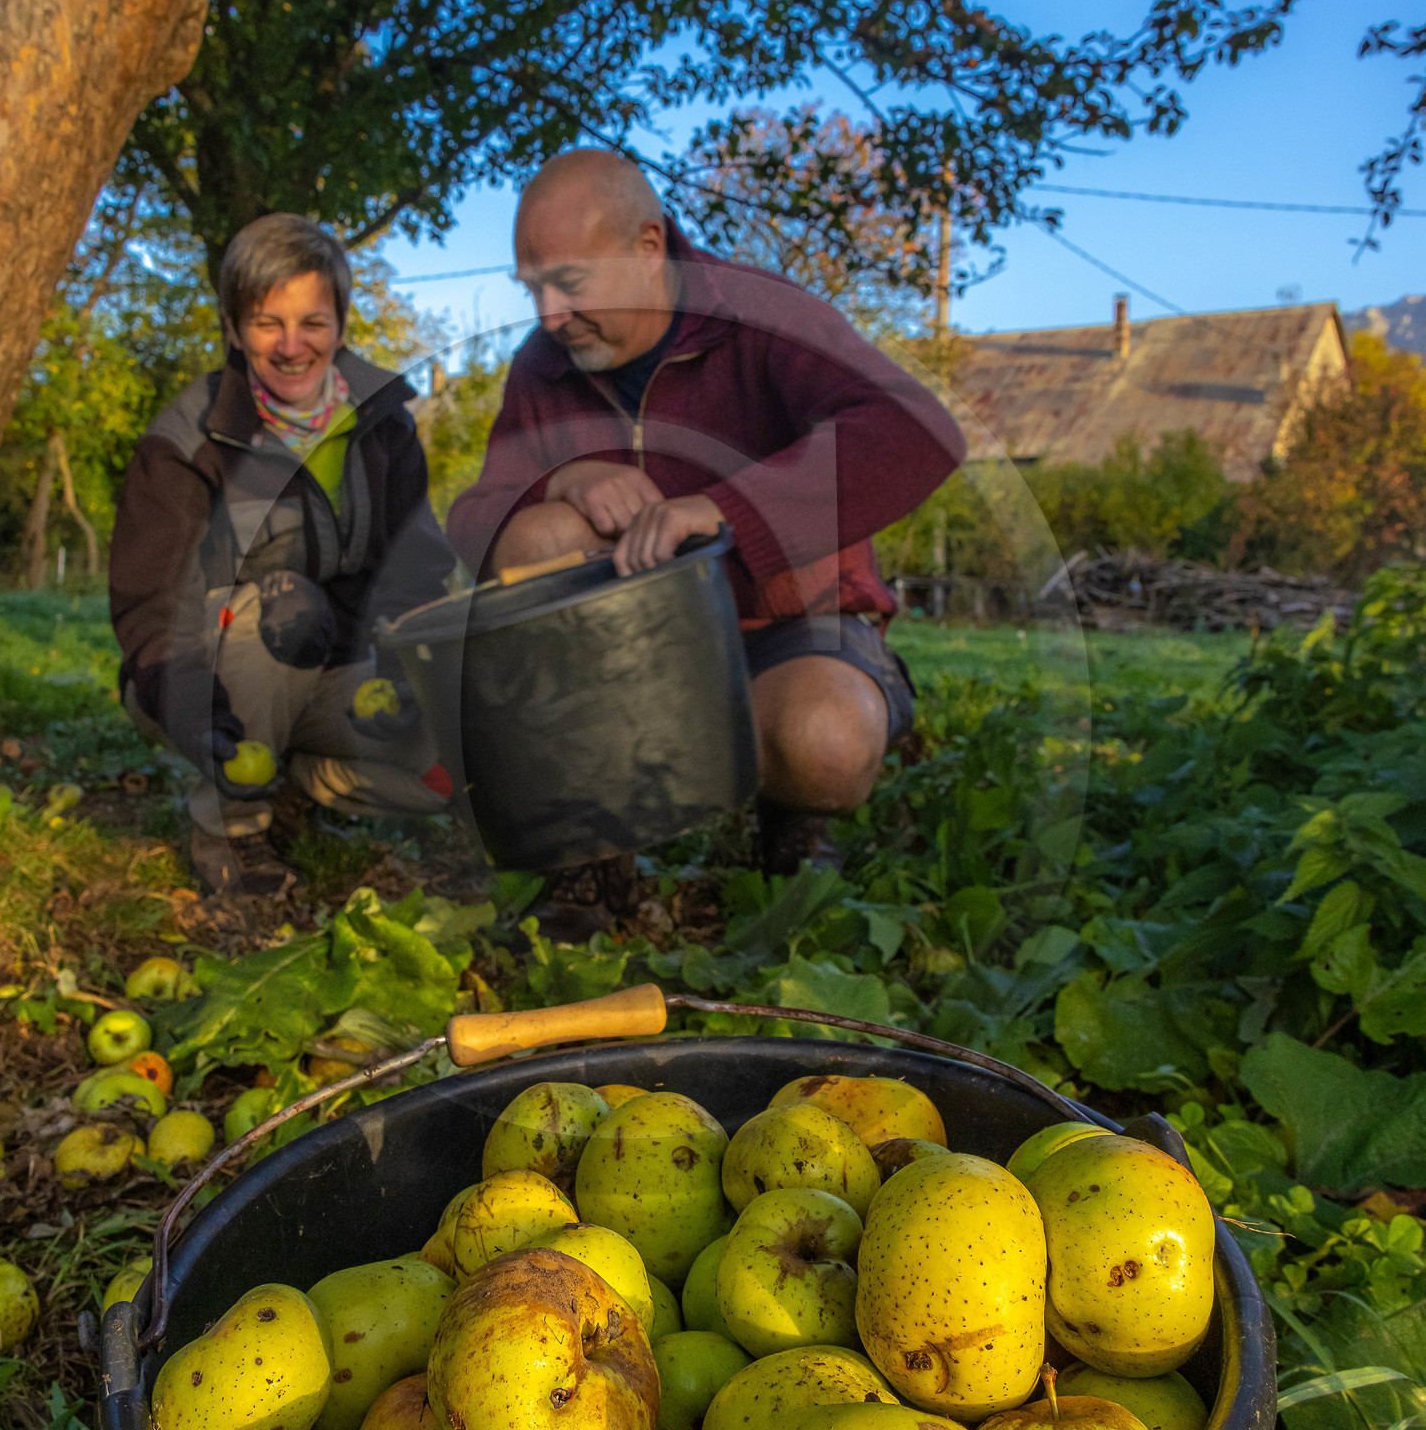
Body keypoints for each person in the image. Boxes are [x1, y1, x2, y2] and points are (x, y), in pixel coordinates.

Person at [447, 150, 966, 895]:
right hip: (631, 651)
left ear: (647, 248)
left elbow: (917, 432)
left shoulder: (764, 314)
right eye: (532, 289)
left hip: (789, 631)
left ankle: (792, 813)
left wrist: (726, 507)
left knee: (825, 742)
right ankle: (593, 843)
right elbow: (470, 521)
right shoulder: (542, 363)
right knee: (535, 534)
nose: (548, 316)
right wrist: (560, 479)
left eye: (571, 283)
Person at [109, 214, 456, 898]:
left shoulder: (385, 424)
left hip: (339, 676)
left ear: (342, 325)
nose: (292, 346)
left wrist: (405, 676)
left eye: (313, 322)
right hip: (204, 677)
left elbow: (414, 573)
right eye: (268, 323)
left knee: (444, 762)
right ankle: (230, 826)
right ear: (234, 329)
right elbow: (153, 608)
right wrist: (195, 713)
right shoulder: (187, 438)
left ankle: (294, 781)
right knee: (284, 611)